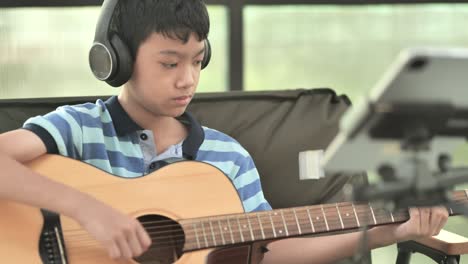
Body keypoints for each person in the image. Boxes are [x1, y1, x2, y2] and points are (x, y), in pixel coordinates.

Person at [0, 0, 448, 263]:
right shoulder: (78, 127)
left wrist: (387, 233)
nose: (187, 80)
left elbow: (269, 252)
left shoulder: (225, 157)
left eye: (197, 61)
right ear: (113, 60)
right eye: (169, 63)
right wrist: (87, 208)